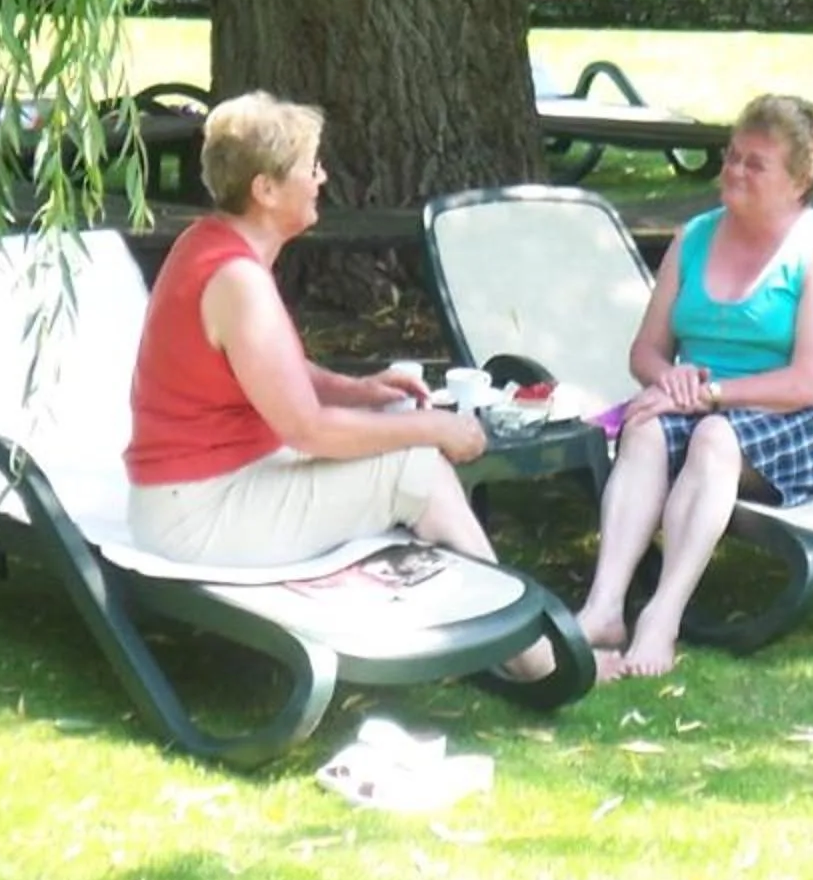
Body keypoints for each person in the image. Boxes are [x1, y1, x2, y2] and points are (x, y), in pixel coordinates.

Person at [122, 91, 551, 675]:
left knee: (398, 433)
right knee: (417, 467)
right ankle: (537, 660)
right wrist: (435, 428)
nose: (322, 178)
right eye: (311, 166)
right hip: (199, 518)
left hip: (188, 498)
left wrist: (361, 391)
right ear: (265, 189)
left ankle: (463, 629)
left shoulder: (206, 242)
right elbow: (308, 431)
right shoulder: (238, 281)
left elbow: (268, 370)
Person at [575, 92, 813, 681]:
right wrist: (669, 379)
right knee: (645, 429)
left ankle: (662, 615)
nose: (734, 170)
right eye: (732, 155)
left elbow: (809, 384)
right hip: (711, 411)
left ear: (799, 182)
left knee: (713, 437)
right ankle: (604, 608)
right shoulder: (695, 237)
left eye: (755, 164)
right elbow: (645, 351)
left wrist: (708, 396)